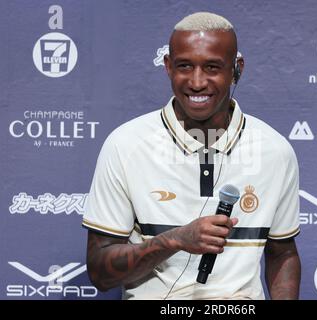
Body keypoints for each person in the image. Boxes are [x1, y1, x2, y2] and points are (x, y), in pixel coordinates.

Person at [82, 11, 301, 300]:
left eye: (212, 67)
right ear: (168, 67)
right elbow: (100, 273)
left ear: (237, 69)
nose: (197, 82)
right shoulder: (126, 144)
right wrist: (174, 239)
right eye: (185, 66)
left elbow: (282, 254)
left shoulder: (275, 151)